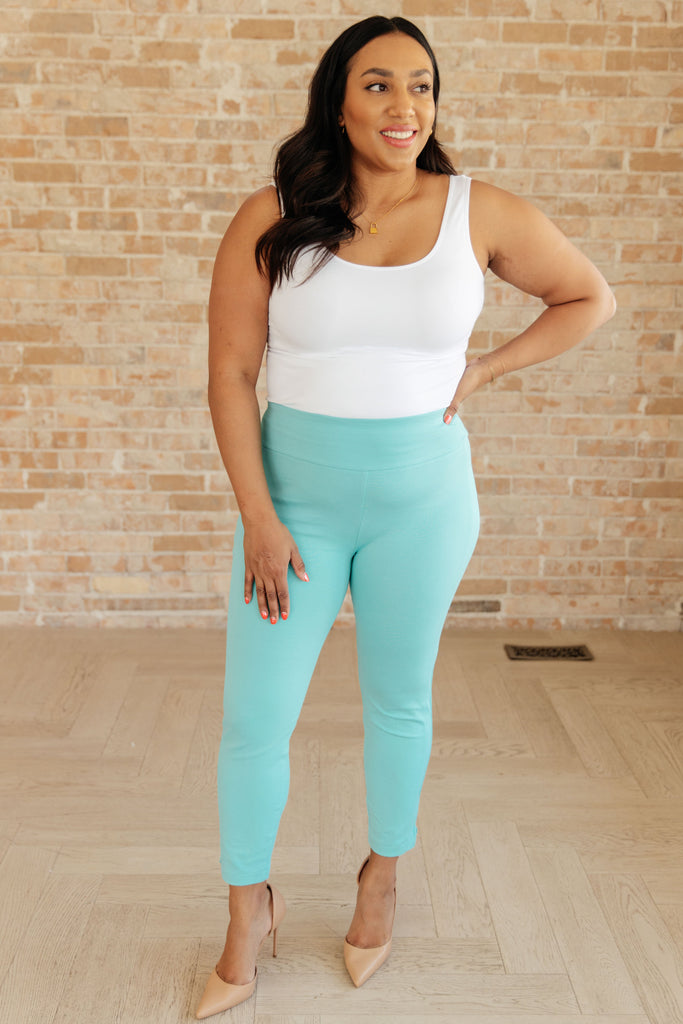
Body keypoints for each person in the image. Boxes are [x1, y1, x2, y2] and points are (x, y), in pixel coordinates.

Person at [196, 14, 616, 1019]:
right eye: (378, 84)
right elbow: (230, 372)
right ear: (337, 101)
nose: (403, 106)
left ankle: (380, 876)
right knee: (254, 721)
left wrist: (486, 368)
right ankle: (245, 911)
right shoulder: (271, 215)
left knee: (399, 703)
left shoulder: (478, 211)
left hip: (422, 505)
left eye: (420, 85)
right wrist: (258, 516)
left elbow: (585, 298)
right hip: (292, 505)